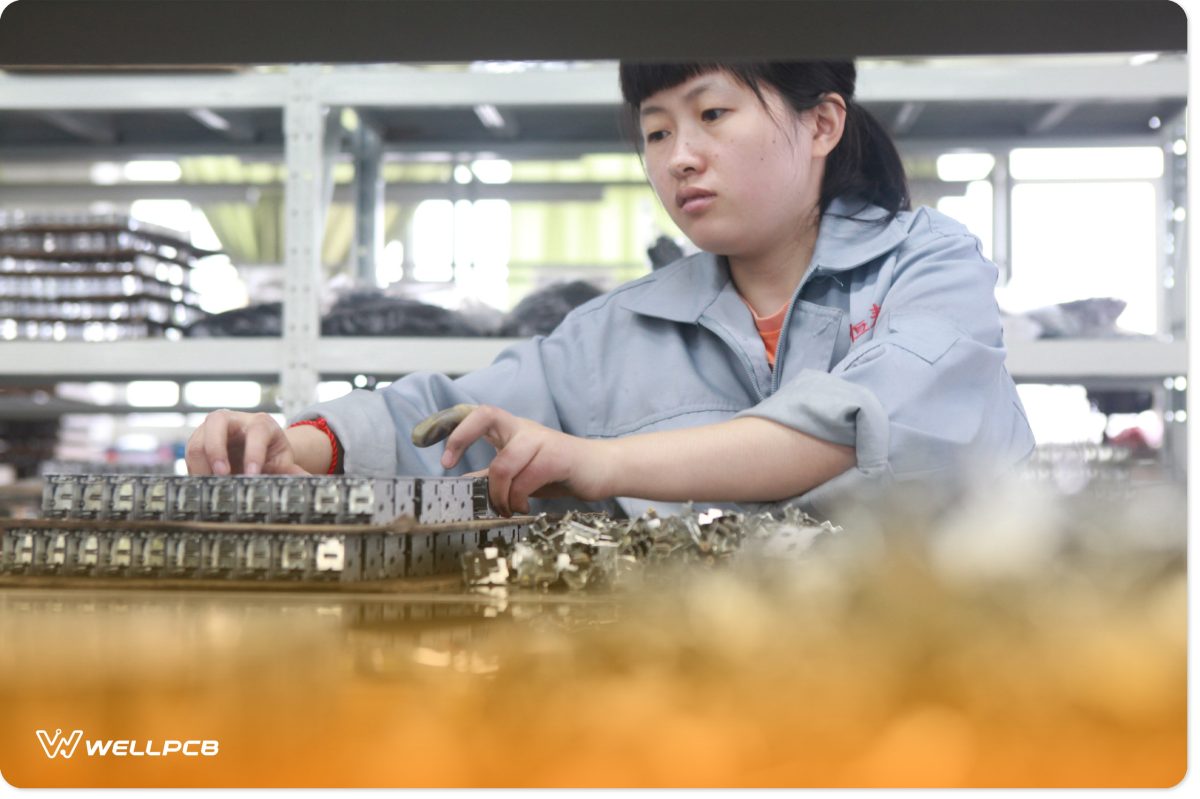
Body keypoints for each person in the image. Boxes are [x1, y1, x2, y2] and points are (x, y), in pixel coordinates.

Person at [185, 60, 1036, 519]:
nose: (679, 157)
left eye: (712, 115)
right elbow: (454, 416)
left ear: (822, 122)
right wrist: (289, 445)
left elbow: (860, 429)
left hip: (956, 670)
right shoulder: (626, 326)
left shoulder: (929, 265)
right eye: (655, 131)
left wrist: (598, 462)